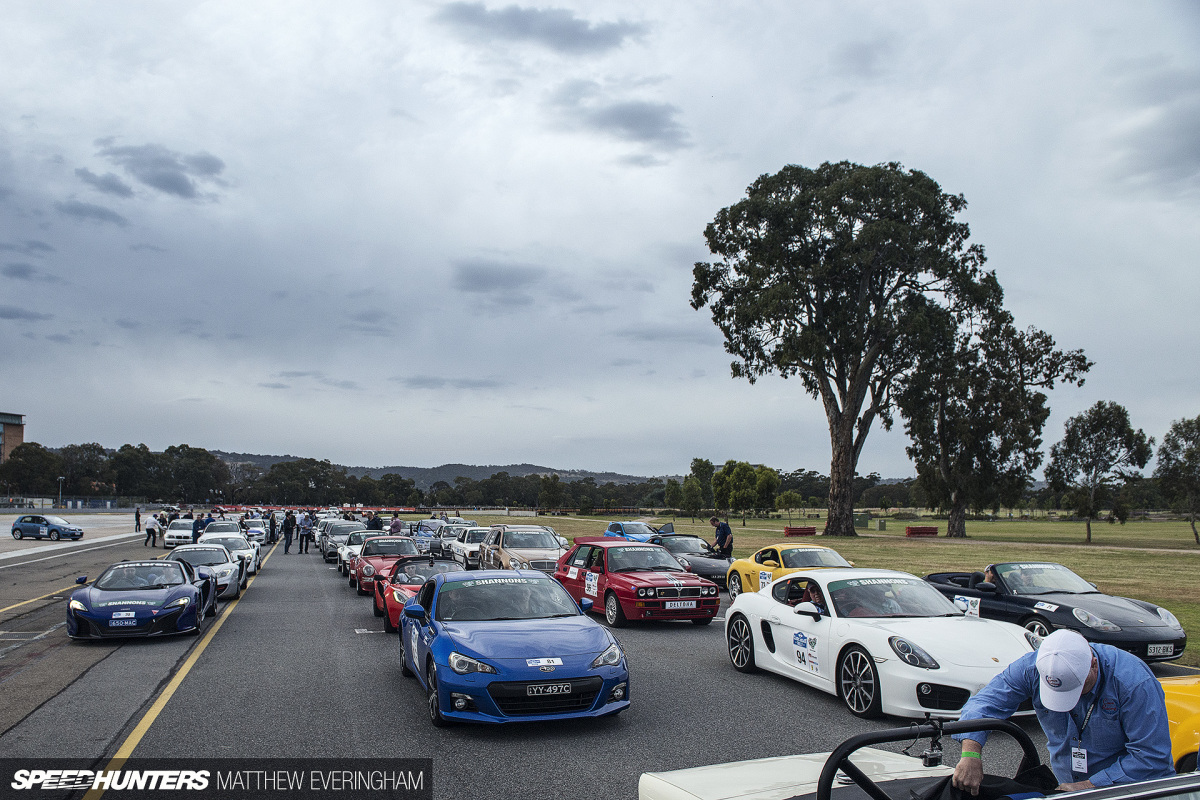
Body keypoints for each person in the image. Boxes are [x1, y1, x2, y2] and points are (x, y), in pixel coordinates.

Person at [952, 629, 1173, 794]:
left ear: (1093, 664)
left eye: (1078, 689)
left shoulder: (1134, 683)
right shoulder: (1033, 667)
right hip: (1070, 789)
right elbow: (985, 703)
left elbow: (1151, 758)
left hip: (1134, 791)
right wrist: (971, 754)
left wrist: (1089, 786)